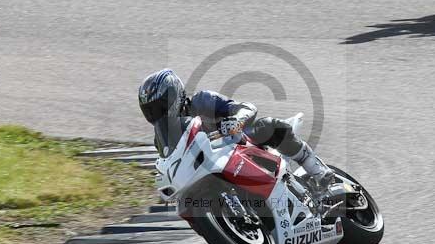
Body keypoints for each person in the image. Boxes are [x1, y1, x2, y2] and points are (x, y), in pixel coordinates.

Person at [138, 69, 334, 190]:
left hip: (239, 145)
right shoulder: (163, 140)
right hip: (209, 170)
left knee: (268, 126)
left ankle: (318, 171)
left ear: (175, 95)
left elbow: (246, 107)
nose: (160, 113)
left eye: (162, 106)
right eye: (153, 110)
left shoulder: (202, 100)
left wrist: (236, 121)